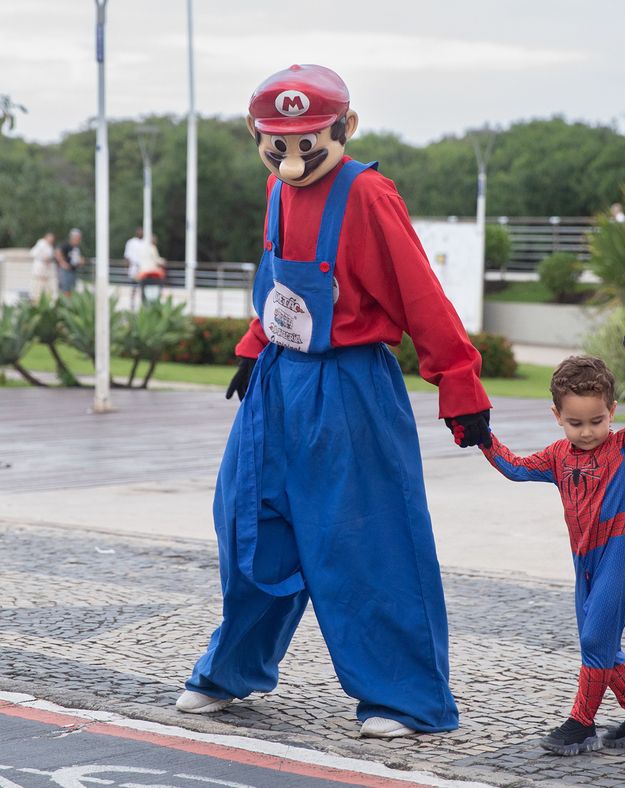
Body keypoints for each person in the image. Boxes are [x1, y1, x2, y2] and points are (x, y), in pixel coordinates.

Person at [175, 64, 492, 739]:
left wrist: (459, 381)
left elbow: (421, 295)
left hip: (350, 387)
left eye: (306, 143)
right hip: (278, 383)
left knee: (366, 541)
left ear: (344, 129)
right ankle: (234, 668)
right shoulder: (274, 191)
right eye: (275, 143)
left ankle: (404, 698)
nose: (291, 159)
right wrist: (254, 344)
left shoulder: (370, 195)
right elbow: (276, 283)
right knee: (249, 523)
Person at [479, 354, 625, 756]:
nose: (587, 432)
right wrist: (482, 434)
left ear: (612, 412)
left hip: (622, 553)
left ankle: (582, 724)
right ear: (557, 416)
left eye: (597, 421)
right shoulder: (556, 456)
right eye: (575, 423)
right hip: (585, 566)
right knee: (600, 645)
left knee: (596, 637)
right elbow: (514, 468)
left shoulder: (624, 447)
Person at [136, 233, 166, 304]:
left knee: (144, 290)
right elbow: (156, 260)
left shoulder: (143, 248)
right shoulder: (152, 248)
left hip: (143, 272)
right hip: (152, 273)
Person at [28, 232, 57, 301]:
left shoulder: (50, 246)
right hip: (39, 267)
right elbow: (33, 253)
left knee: (46, 286)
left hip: (46, 269)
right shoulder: (41, 244)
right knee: (37, 285)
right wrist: (43, 258)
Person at [55, 229, 83, 296]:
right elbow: (58, 252)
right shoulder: (66, 246)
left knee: (72, 289)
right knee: (65, 289)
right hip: (66, 271)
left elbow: (81, 258)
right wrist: (63, 263)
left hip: (73, 270)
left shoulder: (78, 248)